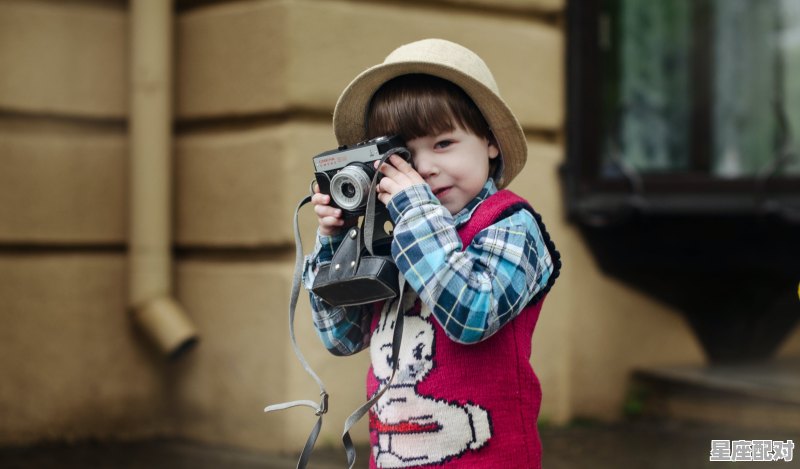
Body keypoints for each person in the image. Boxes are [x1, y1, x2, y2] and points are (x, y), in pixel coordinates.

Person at [303, 38, 561, 469]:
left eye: (443, 144)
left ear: (490, 141)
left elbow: (472, 315)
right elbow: (340, 337)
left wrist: (416, 213)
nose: (423, 168)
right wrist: (334, 241)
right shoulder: (395, 233)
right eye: (404, 155)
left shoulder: (512, 224)